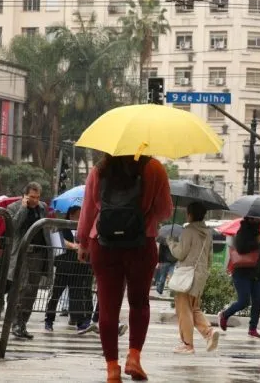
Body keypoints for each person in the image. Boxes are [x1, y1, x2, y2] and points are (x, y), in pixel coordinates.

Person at [77, 154, 172, 383]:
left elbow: (88, 210)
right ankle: (133, 358)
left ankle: (112, 369)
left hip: (103, 242)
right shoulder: (154, 168)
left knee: (108, 306)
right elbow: (165, 211)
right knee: (139, 302)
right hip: (141, 242)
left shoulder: (99, 170)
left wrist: (82, 241)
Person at [167, 202, 219, 354]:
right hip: (201, 274)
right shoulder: (208, 233)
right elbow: (209, 257)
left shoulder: (188, 231)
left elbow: (180, 253)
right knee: (194, 308)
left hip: (187, 275)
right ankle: (209, 333)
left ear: (190, 214)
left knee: (184, 309)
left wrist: (171, 243)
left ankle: (187, 344)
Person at [7, 182, 48, 340]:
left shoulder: (42, 207)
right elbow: (14, 227)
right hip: (22, 254)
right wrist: (24, 208)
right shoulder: (14, 207)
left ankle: (23, 323)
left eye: (37, 197)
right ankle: (15, 323)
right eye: (32, 197)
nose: (35, 201)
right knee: (22, 287)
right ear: (25, 195)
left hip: (38, 254)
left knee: (32, 290)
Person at [45, 206, 95, 334]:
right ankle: (49, 319)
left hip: (78, 267)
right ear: (71, 215)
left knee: (76, 295)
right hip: (64, 265)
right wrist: (73, 245)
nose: (80, 217)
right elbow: (57, 239)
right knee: (56, 294)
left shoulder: (84, 227)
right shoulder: (62, 226)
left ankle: (79, 322)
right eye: (78, 214)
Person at [218, 217, 260, 340]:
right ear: (250, 219)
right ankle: (225, 315)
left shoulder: (259, 233)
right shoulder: (242, 232)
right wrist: (256, 241)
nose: (258, 220)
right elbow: (241, 248)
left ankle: (253, 329)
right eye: (256, 218)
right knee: (244, 301)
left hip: (257, 273)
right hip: (242, 272)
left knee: (257, 302)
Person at [155, 231, 178, 295]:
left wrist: (159, 261)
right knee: (172, 275)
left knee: (163, 276)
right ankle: (171, 290)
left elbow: (160, 252)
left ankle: (160, 290)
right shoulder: (175, 240)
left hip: (164, 261)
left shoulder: (162, 241)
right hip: (173, 260)